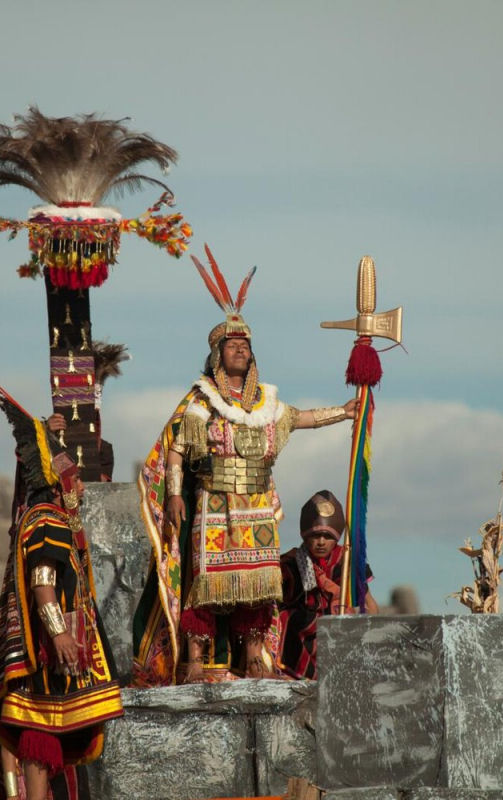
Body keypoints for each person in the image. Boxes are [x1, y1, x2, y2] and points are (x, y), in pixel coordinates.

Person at [133, 246, 356, 685]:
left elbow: (302, 418)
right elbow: (176, 447)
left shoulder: (266, 403)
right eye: (232, 345)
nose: (240, 350)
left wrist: (345, 412)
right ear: (218, 354)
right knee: (208, 583)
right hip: (215, 500)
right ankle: (195, 660)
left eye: (244, 346)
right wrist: (175, 493)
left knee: (255, 583)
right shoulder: (201, 400)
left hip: (255, 501)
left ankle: (254, 656)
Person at [0, 380, 123, 800]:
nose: (79, 489)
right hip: (47, 651)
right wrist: (59, 633)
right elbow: (43, 583)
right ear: (59, 484)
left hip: (42, 649)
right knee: (41, 743)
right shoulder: (48, 519)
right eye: (74, 481)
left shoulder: (40, 517)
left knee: (46, 743)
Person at [277, 490, 377, 680]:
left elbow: (370, 605)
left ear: (337, 537)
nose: (321, 542)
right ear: (305, 536)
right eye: (315, 536)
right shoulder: (289, 564)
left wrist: (367, 636)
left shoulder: (348, 562)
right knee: (285, 617)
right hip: (299, 637)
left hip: (340, 633)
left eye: (327, 536)